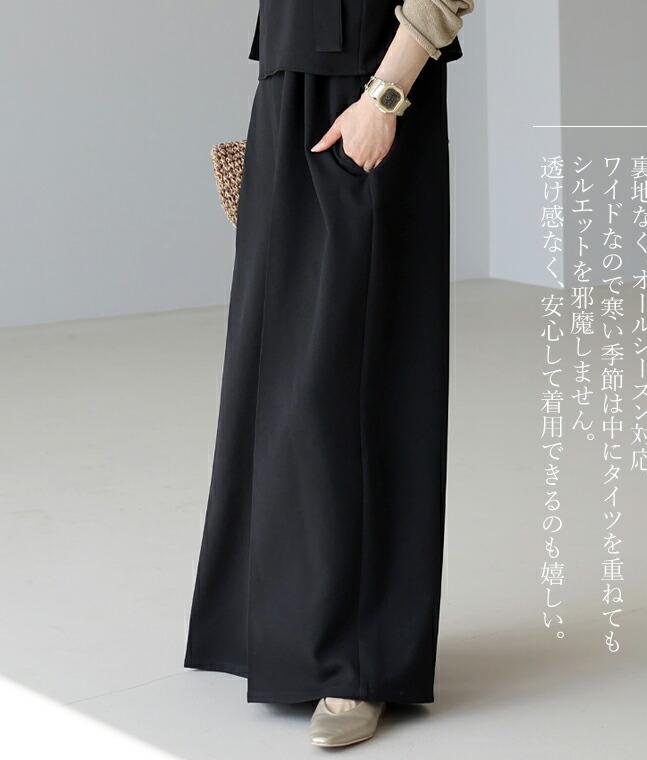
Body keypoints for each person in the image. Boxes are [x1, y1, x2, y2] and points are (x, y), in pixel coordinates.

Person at [184, 0, 475, 748]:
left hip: (370, 90)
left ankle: (359, 662)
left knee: (356, 378)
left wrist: (387, 95)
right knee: (275, 373)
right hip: (289, 84)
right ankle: (282, 634)